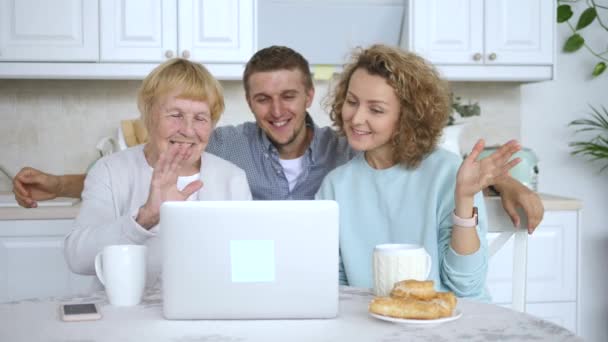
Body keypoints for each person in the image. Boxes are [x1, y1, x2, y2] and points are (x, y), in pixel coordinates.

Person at [12, 46, 543, 233]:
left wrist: (509, 187)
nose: (277, 110)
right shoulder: (228, 144)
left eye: (289, 96)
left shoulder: (349, 144)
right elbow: (158, 164)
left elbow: (441, 162)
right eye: (262, 99)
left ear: (310, 94)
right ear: (248, 102)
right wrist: (59, 182)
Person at [316, 45, 521, 300]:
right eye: (352, 101)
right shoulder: (336, 185)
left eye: (376, 109)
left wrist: (465, 199)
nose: (357, 118)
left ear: (407, 117)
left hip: (451, 322)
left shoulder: (448, 172)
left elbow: (466, 285)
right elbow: (338, 286)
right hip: (378, 322)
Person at [64, 58, 251, 281]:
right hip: (127, 312)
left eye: (201, 118)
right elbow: (77, 258)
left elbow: (247, 268)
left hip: (207, 309)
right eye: (175, 115)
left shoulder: (233, 178)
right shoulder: (110, 171)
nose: (188, 131)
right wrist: (146, 217)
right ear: (148, 116)